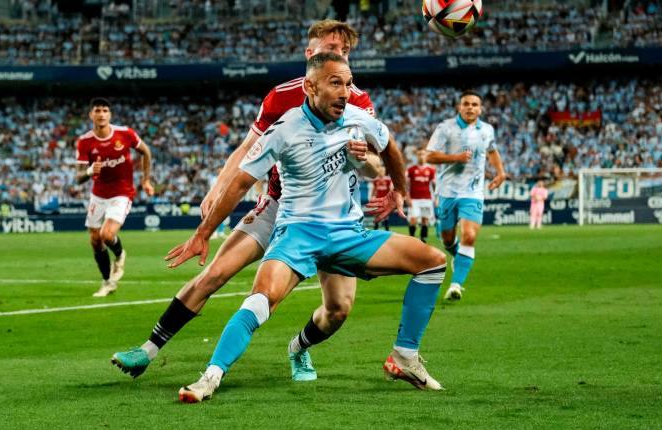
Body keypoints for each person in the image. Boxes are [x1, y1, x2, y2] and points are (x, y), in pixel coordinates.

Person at [111, 20, 383, 382]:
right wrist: (217, 188)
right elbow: (247, 150)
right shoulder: (281, 97)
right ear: (310, 54)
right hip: (278, 206)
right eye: (331, 49)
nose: (340, 55)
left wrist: (368, 163)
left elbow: (375, 162)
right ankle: (147, 350)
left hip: (331, 218)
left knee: (338, 309)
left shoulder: (358, 102)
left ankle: (298, 347)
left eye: (345, 51)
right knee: (215, 273)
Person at [169, 53, 447, 403]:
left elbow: (388, 143)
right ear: (310, 87)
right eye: (336, 83)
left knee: (432, 262)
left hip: (347, 234)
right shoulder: (284, 130)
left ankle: (404, 356)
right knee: (260, 301)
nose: (345, 92)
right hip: (298, 233)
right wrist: (203, 233)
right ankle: (210, 377)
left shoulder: (356, 116)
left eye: (348, 84)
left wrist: (399, 190)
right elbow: (239, 184)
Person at [426, 90, 506, 301]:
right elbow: (429, 156)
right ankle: (458, 255)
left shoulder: (487, 129)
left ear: (480, 109)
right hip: (447, 191)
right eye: (466, 104)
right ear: (459, 107)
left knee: (469, 236)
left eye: (474, 104)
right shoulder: (445, 128)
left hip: (473, 192)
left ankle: (456, 285)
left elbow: (492, 150)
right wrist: (455, 158)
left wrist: (500, 172)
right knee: (447, 238)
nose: (470, 107)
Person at [75, 98, 154, 297]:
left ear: (110, 114)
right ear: (91, 115)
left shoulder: (125, 134)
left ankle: (119, 254)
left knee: (107, 235)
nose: (101, 114)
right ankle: (107, 282)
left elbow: (146, 152)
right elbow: (78, 177)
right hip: (98, 195)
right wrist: (90, 171)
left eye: (105, 110)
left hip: (122, 192)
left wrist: (146, 180)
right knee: (95, 240)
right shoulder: (85, 141)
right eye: (97, 110)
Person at [407, 149, 436, 242]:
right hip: (414, 199)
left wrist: (436, 198)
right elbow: (406, 185)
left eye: (423, 154)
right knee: (413, 220)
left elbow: (434, 185)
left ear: (426, 156)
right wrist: (407, 198)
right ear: (416, 156)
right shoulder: (411, 169)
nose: (421, 156)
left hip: (427, 199)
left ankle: (423, 241)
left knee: (425, 220)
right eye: (419, 154)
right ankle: (411, 239)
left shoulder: (431, 170)